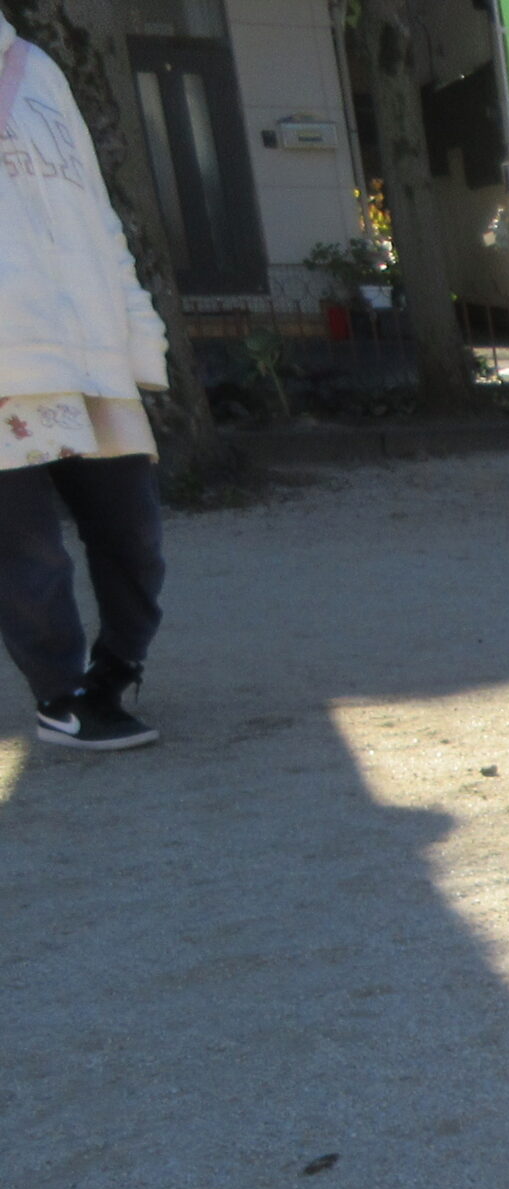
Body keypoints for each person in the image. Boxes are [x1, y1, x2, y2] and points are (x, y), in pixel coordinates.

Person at [0, 16, 172, 750]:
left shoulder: (36, 65)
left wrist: (136, 330)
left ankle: (117, 667)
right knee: (27, 550)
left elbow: (97, 212)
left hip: (89, 346)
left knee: (134, 532)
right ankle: (61, 696)